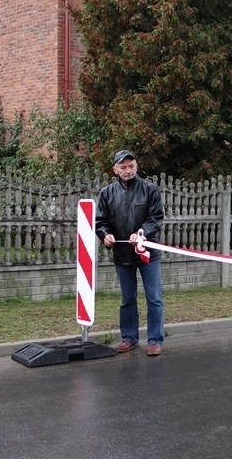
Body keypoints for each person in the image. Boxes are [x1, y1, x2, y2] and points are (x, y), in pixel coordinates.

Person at [95, 150, 165, 356]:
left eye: (131, 166)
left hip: (148, 254)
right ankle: (129, 338)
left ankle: (154, 340)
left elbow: (156, 218)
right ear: (115, 169)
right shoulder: (106, 193)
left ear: (136, 166)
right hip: (122, 254)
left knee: (154, 298)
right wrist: (104, 235)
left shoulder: (150, 189)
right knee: (127, 298)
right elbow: (100, 222)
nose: (128, 171)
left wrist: (142, 232)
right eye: (123, 167)